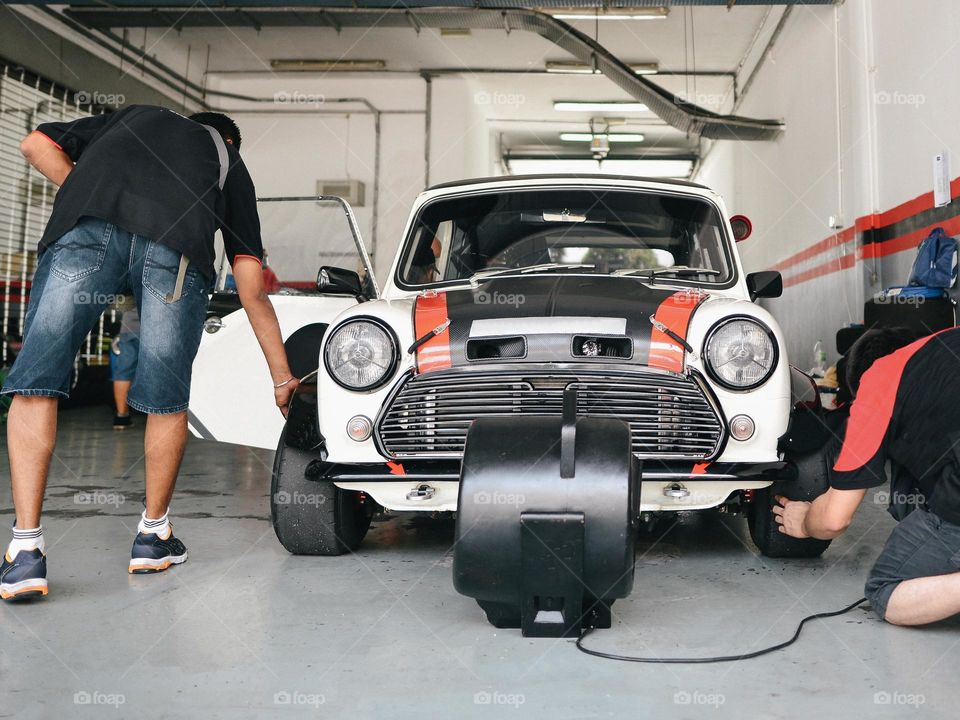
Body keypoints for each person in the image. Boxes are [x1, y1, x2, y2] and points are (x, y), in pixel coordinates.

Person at [0, 106, 298, 601]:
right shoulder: (227, 160)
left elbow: (34, 145)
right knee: (166, 398)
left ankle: (25, 551)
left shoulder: (132, 116)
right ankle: (152, 537)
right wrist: (282, 377)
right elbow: (252, 289)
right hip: (174, 249)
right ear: (229, 141)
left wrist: (87, 194)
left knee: (36, 380)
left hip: (85, 228)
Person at [775, 327, 960, 626]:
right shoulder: (947, 339)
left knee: (884, 591)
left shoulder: (880, 378)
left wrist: (807, 521)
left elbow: (835, 519)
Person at [110, 303, 140, 430]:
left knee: (124, 370)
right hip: (157, 324)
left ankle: (122, 416)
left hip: (129, 324)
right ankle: (159, 415)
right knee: (159, 368)